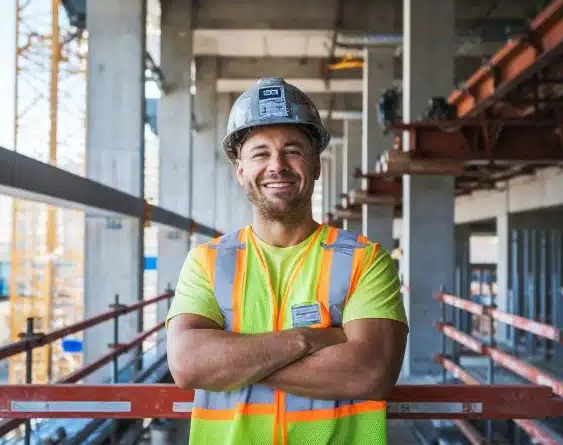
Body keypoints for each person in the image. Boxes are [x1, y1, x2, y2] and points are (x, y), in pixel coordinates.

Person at [166, 77, 408, 445]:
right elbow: (187, 365)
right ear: (241, 171)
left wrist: (229, 362)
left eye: (293, 150)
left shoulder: (366, 260)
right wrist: (308, 339)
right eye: (260, 153)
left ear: (316, 165)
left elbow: (370, 373)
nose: (277, 165)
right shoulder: (207, 262)